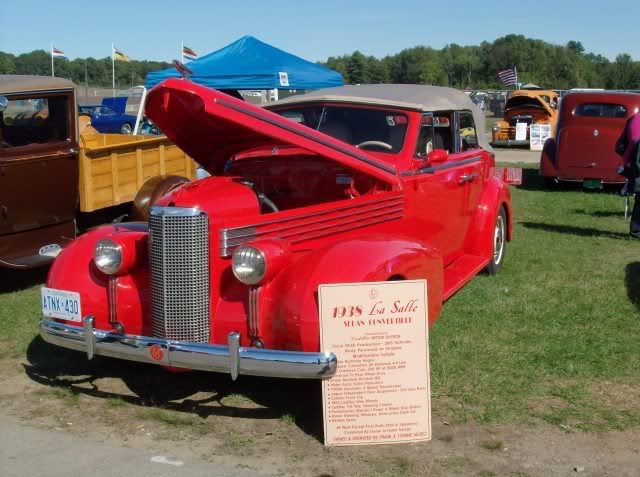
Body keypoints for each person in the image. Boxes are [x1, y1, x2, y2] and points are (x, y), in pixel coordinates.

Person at [616, 111, 640, 237]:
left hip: (630, 164)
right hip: (635, 165)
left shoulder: (633, 118)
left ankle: (636, 230)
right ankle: (636, 231)